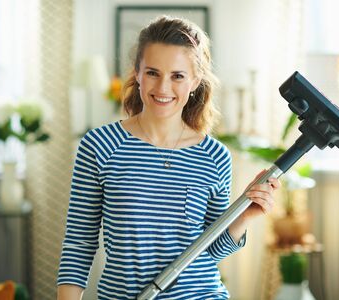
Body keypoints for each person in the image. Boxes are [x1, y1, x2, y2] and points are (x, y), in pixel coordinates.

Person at [57, 15, 281, 300]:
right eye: (152, 73)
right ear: (137, 73)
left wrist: (245, 216)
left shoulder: (214, 156)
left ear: (195, 81)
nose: (162, 88)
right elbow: (79, 242)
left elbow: (212, 250)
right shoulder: (100, 145)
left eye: (177, 76)